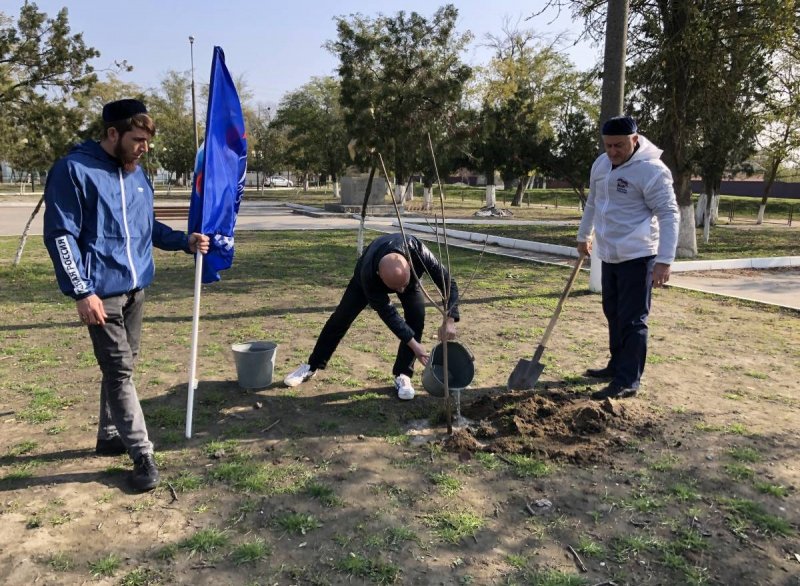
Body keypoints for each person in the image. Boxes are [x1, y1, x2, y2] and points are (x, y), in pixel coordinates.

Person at [43, 99, 210, 491]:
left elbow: (146, 226)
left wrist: (183, 241)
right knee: (119, 371)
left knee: (123, 367)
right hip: (101, 294)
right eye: (138, 140)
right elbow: (61, 236)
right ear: (113, 134)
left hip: (137, 290)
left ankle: (108, 434)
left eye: (148, 142)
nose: (144, 148)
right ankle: (143, 455)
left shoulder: (137, 175)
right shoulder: (73, 171)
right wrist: (83, 291)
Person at [284, 232, 460, 400]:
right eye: (396, 287)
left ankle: (403, 374)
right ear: (380, 276)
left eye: (402, 286)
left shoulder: (419, 251)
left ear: (408, 264)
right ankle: (311, 366)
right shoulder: (368, 274)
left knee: (417, 316)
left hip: (408, 278)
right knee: (340, 318)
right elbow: (389, 314)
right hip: (363, 282)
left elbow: (448, 282)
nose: (400, 292)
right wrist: (415, 346)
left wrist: (450, 318)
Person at [577, 115, 679, 400]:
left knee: (633, 320)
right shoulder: (601, 164)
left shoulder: (651, 170)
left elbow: (670, 214)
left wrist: (664, 260)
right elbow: (594, 203)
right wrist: (583, 235)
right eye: (608, 145)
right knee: (612, 312)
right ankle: (616, 365)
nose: (612, 152)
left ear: (635, 140)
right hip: (608, 254)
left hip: (638, 255)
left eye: (618, 145)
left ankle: (628, 380)